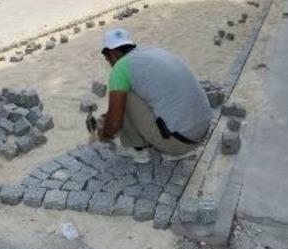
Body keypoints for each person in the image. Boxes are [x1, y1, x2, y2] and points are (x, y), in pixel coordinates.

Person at [90, 29, 212, 163]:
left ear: (112, 53)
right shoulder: (152, 53)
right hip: (201, 133)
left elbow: (114, 124)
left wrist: (103, 134)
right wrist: (109, 116)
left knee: (125, 93)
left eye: (108, 60)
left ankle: (136, 149)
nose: (111, 64)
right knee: (135, 88)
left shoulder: (120, 68)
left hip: (179, 143)